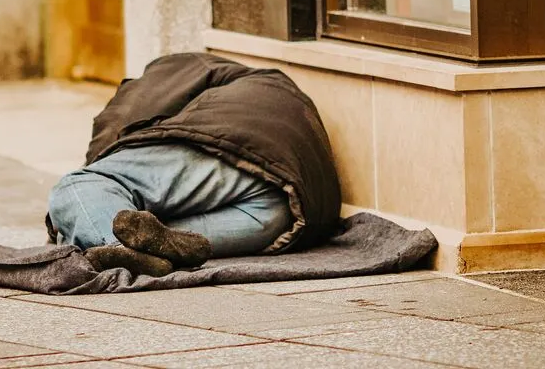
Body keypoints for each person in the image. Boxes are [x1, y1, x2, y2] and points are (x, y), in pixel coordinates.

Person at [46, 53, 342, 277]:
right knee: (152, 234)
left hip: (238, 147)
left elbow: (117, 126)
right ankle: (143, 252)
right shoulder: (255, 84)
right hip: (288, 211)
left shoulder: (169, 70)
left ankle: (116, 247)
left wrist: (85, 194)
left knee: (78, 186)